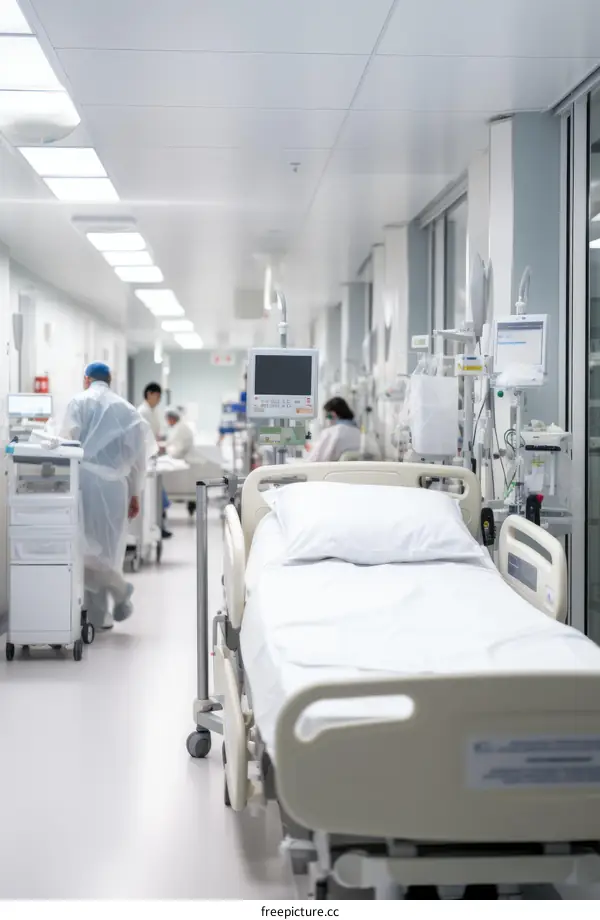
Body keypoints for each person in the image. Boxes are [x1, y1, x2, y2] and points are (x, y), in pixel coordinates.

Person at [61, 362, 149, 630]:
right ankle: (103, 611)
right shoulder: (127, 410)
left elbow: (66, 442)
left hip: (84, 482)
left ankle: (109, 604)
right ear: (110, 380)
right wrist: (135, 493)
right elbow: (137, 459)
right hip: (114, 487)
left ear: (86, 379)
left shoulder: (77, 402)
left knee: (85, 547)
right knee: (108, 550)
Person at [137, 381, 172, 539]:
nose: (158, 400)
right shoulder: (143, 411)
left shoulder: (151, 411)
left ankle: (159, 525)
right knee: (154, 495)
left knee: (157, 494)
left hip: (151, 455)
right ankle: (156, 526)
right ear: (149, 394)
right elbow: (145, 436)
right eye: (157, 396)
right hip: (146, 458)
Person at [307, 396, 376, 463]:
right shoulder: (362, 434)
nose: (327, 419)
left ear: (333, 414)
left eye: (327, 416)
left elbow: (314, 460)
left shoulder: (331, 433)